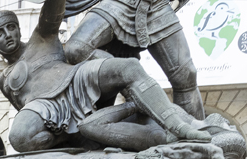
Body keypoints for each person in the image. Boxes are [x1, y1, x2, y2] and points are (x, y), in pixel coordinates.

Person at [0, 1, 210, 153]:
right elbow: (23, 111)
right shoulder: (4, 80)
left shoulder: (41, 37)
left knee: (129, 67)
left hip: (76, 79)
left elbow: (53, 9)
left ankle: (178, 126)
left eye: (10, 28)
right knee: (20, 137)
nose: (7, 36)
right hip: (44, 108)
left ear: (18, 29)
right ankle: (162, 136)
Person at [63, 0, 205, 119]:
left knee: (186, 75)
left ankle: (196, 139)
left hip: (157, 6)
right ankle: (131, 78)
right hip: (115, 4)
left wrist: (176, 3)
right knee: (76, 49)